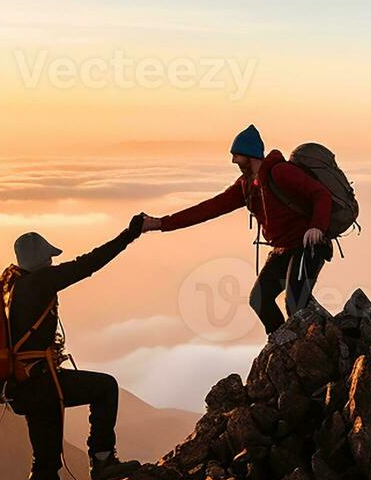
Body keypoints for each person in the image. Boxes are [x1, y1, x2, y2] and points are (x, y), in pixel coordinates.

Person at [6, 216, 144, 480]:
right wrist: (128, 235)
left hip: (24, 387)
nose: (53, 261)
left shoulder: (12, 287)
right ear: (41, 261)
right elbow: (88, 264)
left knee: (46, 461)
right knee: (105, 388)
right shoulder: (41, 282)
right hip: (43, 385)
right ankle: (102, 462)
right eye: (49, 257)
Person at [142, 124, 334, 334]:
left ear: (249, 154)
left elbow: (321, 194)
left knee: (295, 303)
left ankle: (321, 340)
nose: (233, 160)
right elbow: (208, 209)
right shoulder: (246, 186)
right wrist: (160, 223)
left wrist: (316, 227)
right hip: (282, 249)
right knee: (259, 300)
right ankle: (284, 343)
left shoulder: (280, 172)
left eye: (236, 155)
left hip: (308, 246)